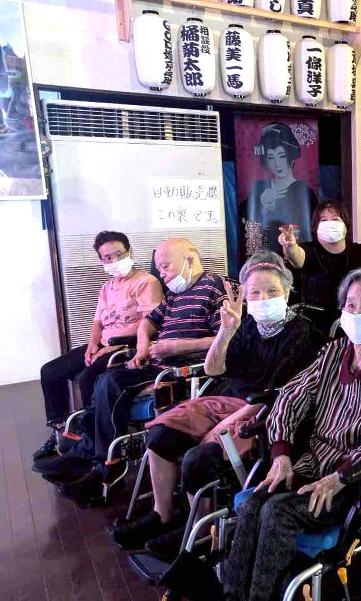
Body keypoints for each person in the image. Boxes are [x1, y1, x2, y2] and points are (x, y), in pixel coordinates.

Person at [222, 267, 361, 601]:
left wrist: (341, 476)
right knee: (255, 502)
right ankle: (232, 594)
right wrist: (281, 454)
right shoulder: (333, 353)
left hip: (356, 480)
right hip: (312, 463)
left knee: (277, 513)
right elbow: (290, 396)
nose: (357, 314)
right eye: (351, 306)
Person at [109, 252, 322, 561]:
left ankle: (199, 537)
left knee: (200, 458)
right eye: (255, 293)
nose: (263, 299)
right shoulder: (246, 325)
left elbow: (279, 395)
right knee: (160, 435)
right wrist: (226, 330)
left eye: (272, 291)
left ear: (287, 292)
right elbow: (213, 369)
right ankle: (162, 515)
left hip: (268, 412)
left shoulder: (303, 333)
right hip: (229, 399)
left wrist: (222, 426)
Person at [33, 238, 228, 503]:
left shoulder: (216, 287)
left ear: (189, 260)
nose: (162, 274)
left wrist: (176, 346)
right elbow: (148, 322)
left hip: (180, 369)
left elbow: (224, 338)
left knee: (110, 383)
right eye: (159, 268)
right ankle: (89, 453)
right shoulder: (175, 293)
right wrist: (142, 346)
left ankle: (106, 468)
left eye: (166, 267)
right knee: (102, 379)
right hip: (155, 361)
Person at [35, 231, 162, 460]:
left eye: (119, 254)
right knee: (51, 371)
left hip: (127, 345)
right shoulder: (107, 287)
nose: (114, 260)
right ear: (101, 259)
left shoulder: (147, 282)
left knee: (88, 378)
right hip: (103, 343)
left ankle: (89, 438)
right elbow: (97, 322)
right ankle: (59, 431)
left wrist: (112, 346)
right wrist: (93, 343)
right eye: (107, 257)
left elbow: (150, 323)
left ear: (129, 251)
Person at [279, 201, 361, 332]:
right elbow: (297, 258)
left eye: (335, 219)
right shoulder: (309, 250)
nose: (330, 224)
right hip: (313, 328)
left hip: (356, 323)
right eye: (324, 220)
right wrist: (290, 246)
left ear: (346, 225)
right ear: (316, 227)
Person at [244, 123, 319, 255]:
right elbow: (246, 221)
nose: (277, 164)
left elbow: (311, 229)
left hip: (295, 258)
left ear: (291, 156)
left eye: (282, 156)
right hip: (264, 258)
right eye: (271, 157)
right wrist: (262, 204)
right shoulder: (259, 188)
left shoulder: (304, 192)